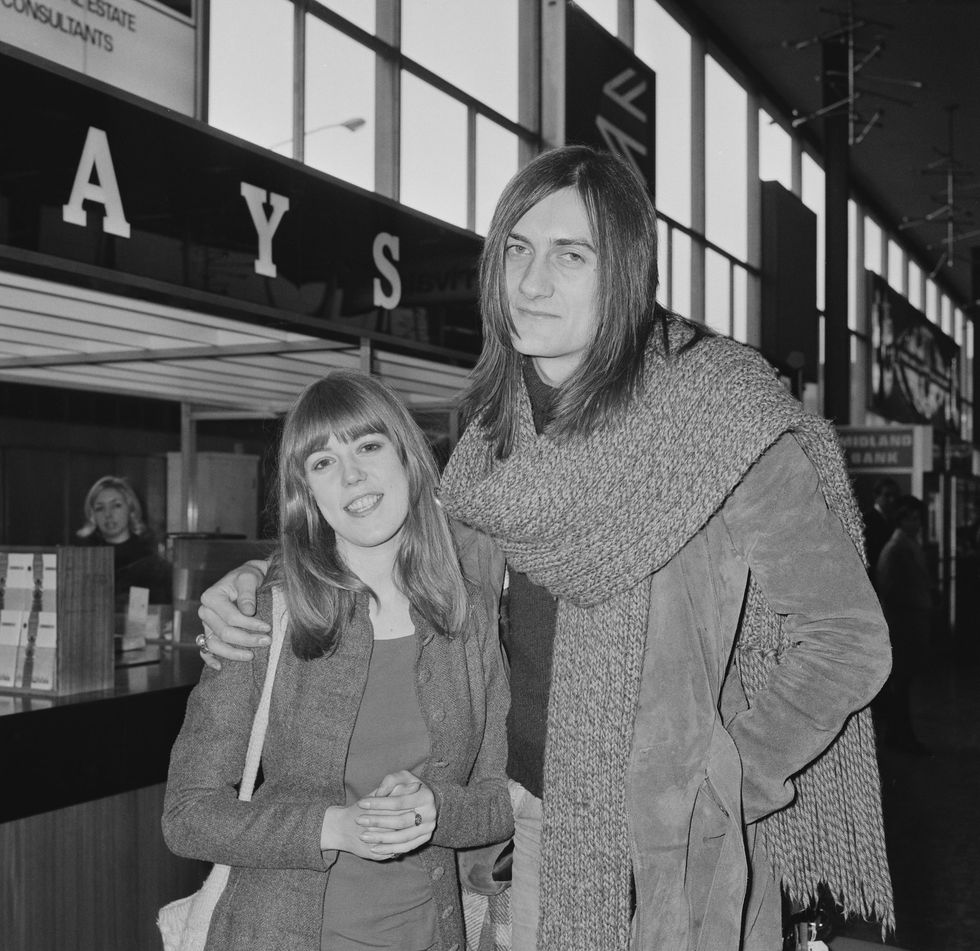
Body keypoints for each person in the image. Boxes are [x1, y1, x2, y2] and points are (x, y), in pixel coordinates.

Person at [197, 146, 893, 950]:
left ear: (624, 271)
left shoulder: (722, 418)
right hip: (516, 829)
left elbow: (847, 640)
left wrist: (724, 776)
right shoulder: (494, 441)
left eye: (571, 254)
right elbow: (393, 549)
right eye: (516, 251)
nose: (531, 283)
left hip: (673, 857)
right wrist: (258, 578)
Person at [162, 371, 512, 951]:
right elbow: (188, 813)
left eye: (369, 447)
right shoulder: (264, 617)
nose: (352, 476)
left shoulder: (465, 615)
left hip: (431, 934)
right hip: (282, 934)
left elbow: (503, 798)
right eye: (323, 462)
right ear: (309, 494)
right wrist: (333, 827)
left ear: (408, 458)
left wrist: (436, 809)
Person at [875, 494, 932, 752]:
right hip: (902, 627)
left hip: (910, 624)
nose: (919, 523)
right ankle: (901, 738)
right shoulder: (897, 549)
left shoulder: (908, 545)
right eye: (914, 518)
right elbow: (889, 589)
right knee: (901, 685)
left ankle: (900, 736)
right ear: (903, 520)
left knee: (904, 684)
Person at [76, 474, 171, 606]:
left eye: (116, 505)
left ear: (131, 509)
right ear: (92, 516)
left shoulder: (151, 563)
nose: (108, 514)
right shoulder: (83, 562)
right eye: (100, 508)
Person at [863, 476, 900, 581]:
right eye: (887, 495)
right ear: (876, 496)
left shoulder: (895, 521)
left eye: (895, 496)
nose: (892, 500)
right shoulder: (866, 521)